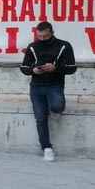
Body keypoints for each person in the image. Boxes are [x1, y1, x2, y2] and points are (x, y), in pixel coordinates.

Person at [20, 21, 77, 162]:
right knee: (40, 118)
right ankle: (47, 148)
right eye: (40, 36)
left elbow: (72, 67)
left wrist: (56, 68)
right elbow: (23, 67)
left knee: (57, 106)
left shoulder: (64, 45)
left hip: (55, 85)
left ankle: (54, 109)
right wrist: (33, 70)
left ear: (52, 32)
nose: (43, 39)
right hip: (36, 86)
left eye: (46, 36)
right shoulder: (32, 46)